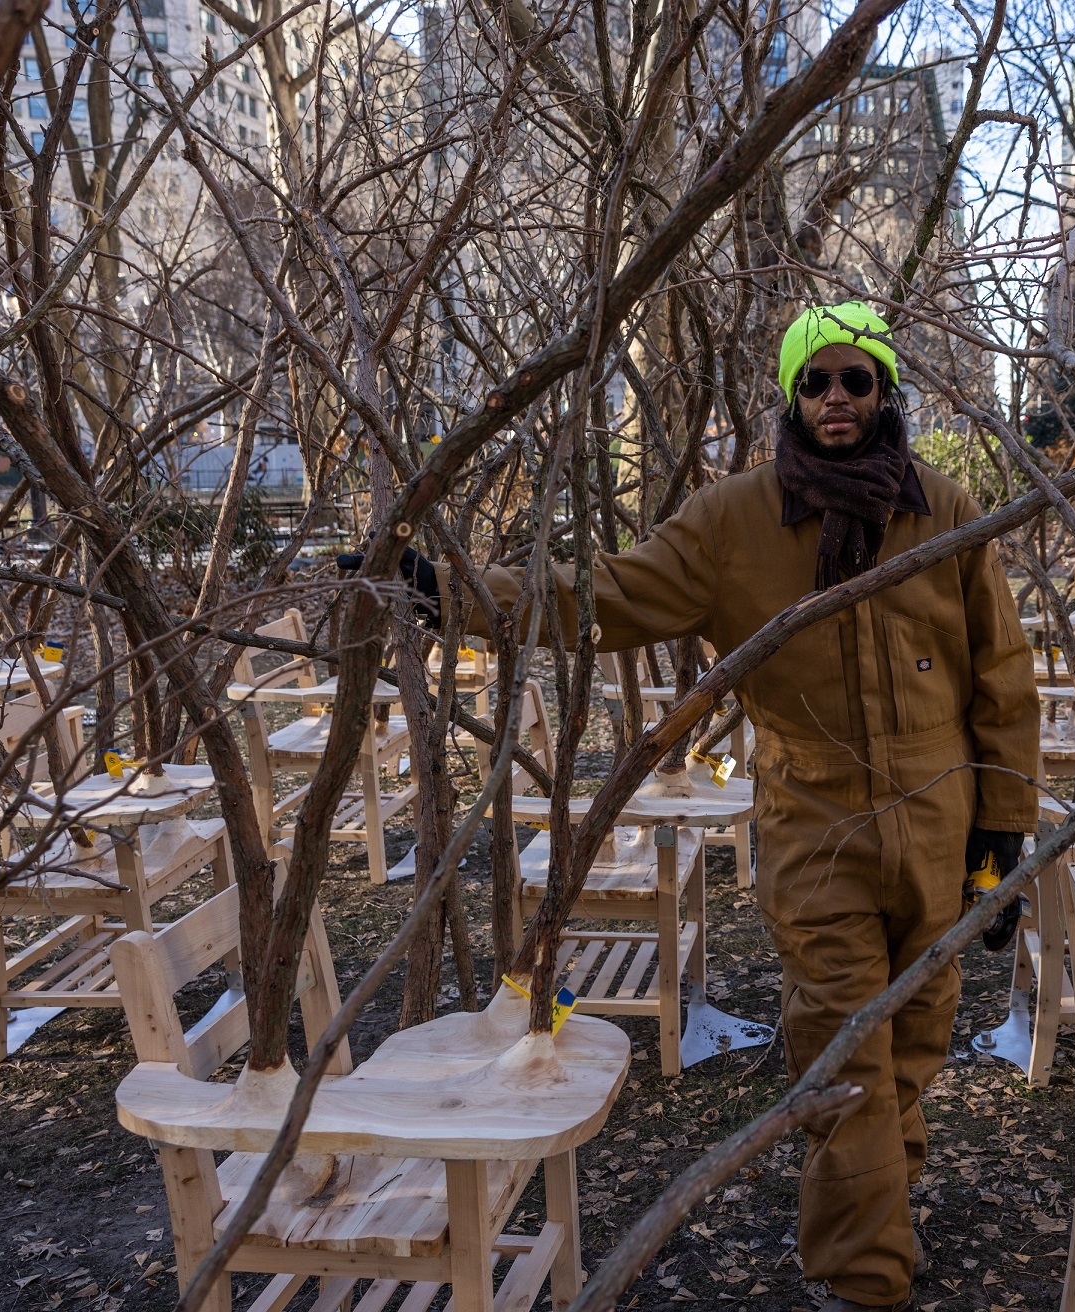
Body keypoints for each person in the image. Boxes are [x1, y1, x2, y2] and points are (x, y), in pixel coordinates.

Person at [353, 301, 1037, 1311]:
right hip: (814, 828)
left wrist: (1001, 836)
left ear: (885, 391)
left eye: (856, 379)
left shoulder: (946, 508)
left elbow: (1001, 676)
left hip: (942, 819)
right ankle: (864, 1277)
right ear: (790, 396)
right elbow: (603, 600)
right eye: (816, 380)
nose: (836, 398)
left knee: (917, 1039)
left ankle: (880, 1211)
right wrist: (450, 593)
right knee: (846, 1042)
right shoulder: (732, 521)